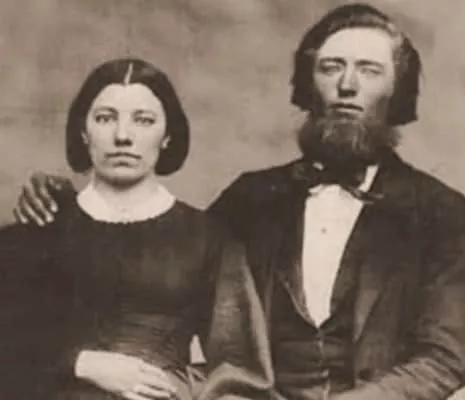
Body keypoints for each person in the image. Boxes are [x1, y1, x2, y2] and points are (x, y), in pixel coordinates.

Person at [14, 3, 465, 400]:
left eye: (369, 70)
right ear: (309, 83)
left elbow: (444, 359)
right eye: (331, 67)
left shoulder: (442, 212)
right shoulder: (253, 198)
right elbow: (157, 258)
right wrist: (64, 205)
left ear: (398, 89)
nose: (347, 85)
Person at [0, 58, 273, 400]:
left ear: (167, 135)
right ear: (83, 132)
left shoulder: (209, 239)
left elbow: (239, 370)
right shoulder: (35, 232)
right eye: (105, 118)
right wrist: (82, 363)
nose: (123, 136)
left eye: (143, 120)